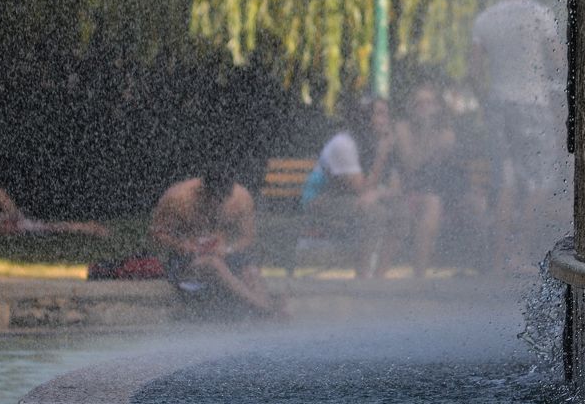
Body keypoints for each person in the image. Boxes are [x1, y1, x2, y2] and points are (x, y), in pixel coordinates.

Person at [471, 0, 572, 274]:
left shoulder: (486, 19)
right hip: (533, 104)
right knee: (540, 180)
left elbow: (474, 70)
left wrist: (484, 100)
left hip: (498, 104)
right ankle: (522, 252)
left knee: (507, 181)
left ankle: (502, 259)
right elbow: (557, 59)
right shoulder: (538, 14)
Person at [150, 167, 276, 315]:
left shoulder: (240, 198)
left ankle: (264, 310)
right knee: (213, 264)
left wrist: (228, 249)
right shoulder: (178, 199)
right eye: (212, 199)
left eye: (222, 200)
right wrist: (184, 246)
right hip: (187, 266)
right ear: (202, 191)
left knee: (251, 271)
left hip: (226, 259)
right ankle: (265, 310)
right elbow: (156, 234)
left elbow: (248, 238)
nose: (216, 204)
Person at [302, 97, 402, 278]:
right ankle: (363, 278)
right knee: (374, 213)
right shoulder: (343, 144)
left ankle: (379, 279)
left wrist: (377, 193)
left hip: (353, 199)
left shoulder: (382, 143)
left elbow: (396, 189)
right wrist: (381, 155)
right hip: (320, 200)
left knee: (400, 213)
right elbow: (362, 190)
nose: (385, 120)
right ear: (364, 117)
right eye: (379, 114)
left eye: (386, 114)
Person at [392, 80, 456, 278]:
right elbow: (412, 166)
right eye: (420, 104)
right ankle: (419, 277)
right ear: (412, 107)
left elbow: (442, 174)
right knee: (431, 203)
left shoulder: (446, 133)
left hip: (442, 194)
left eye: (429, 103)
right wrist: (427, 132)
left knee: (473, 206)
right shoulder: (402, 128)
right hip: (406, 192)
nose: (424, 108)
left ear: (437, 107)